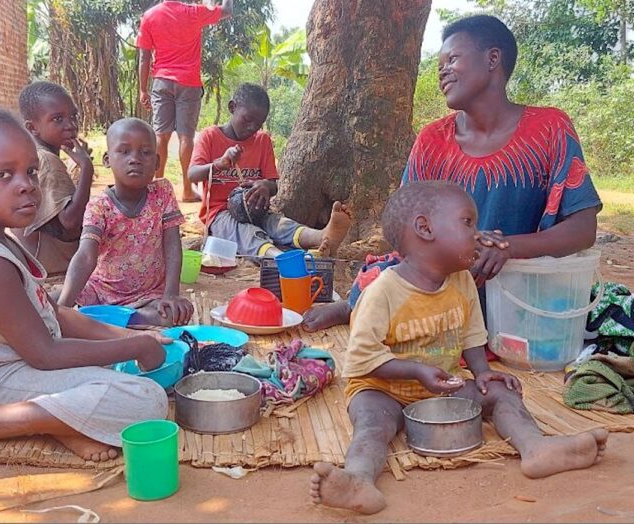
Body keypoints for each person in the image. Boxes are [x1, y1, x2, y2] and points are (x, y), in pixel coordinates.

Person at [0, 105, 170, 496]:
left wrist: (134, 334)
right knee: (146, 400)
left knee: (118, 367)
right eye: (3, 175)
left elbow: (53, 315)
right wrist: (135, 346)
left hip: (16, 368)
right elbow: (44, 353)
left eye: (30, 170)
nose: (27, 184)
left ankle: (54, 422)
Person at [309, 181, 608, 515]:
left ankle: (536, 447)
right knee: (371, 425)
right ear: (425, 228)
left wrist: (482, 374)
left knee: (502, 394)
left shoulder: (462, 280)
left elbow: (472, 336)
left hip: (443, 388)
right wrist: (416, 371)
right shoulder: (383, 292)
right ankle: (358, 479)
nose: (478, 235)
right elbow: (362, 359)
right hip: (382, 388)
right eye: (468, 223)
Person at [302, 14, 601, 332]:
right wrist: (464, 247)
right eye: (439, 64)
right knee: (381, 277)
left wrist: (506, 247)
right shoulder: (432, 140)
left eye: (453, 59)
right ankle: (354, 305)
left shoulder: (550, 129)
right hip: (441, 287)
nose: (442, 71)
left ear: (492, 59)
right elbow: (403, 230)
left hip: (520, 292)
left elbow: (583, 229)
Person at [188, 83, 353, 258]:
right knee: (245, 233)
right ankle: (279, 258)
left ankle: (321, 236)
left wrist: (265, 185)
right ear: (232, 107)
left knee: (278, 223)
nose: (252, 128)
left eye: (258, 124)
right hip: (219, 212)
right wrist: (219, 164)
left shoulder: (262, 141)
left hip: (257, 209)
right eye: (247, 120)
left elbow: (273, 186)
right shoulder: (210, 136)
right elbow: (192, 175)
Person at [57, 118, 194, 327]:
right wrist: (63, 310)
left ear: (157, 163)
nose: (135, 159)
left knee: (172, 316)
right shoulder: (99, 206)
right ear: (107, 159)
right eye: (124, 151)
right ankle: (91, 315)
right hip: (101, 290)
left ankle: (103, 318)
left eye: (146, 152)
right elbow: (85, 256)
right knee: (52, 296)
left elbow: (172, 244)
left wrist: (171, 294)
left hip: (149, 295)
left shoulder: (163, 193)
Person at [137, 0, 234, 203]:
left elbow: (144, 58)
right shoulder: (194, 12)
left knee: (160, 136)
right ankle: (187, 190)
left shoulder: (150, 16)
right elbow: (227, 11)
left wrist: (143, 89)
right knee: (185, 137)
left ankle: (158, 189)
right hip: (189, 83)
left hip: (161, 81)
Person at [11, 81, 95, 275]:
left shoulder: (29, 154)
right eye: (58, 119)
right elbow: (70, 221)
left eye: (73, 116)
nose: (71, 125)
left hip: (34, 261)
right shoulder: (47, 161)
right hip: (54, 269)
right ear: (33, 128)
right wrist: (86, 170)